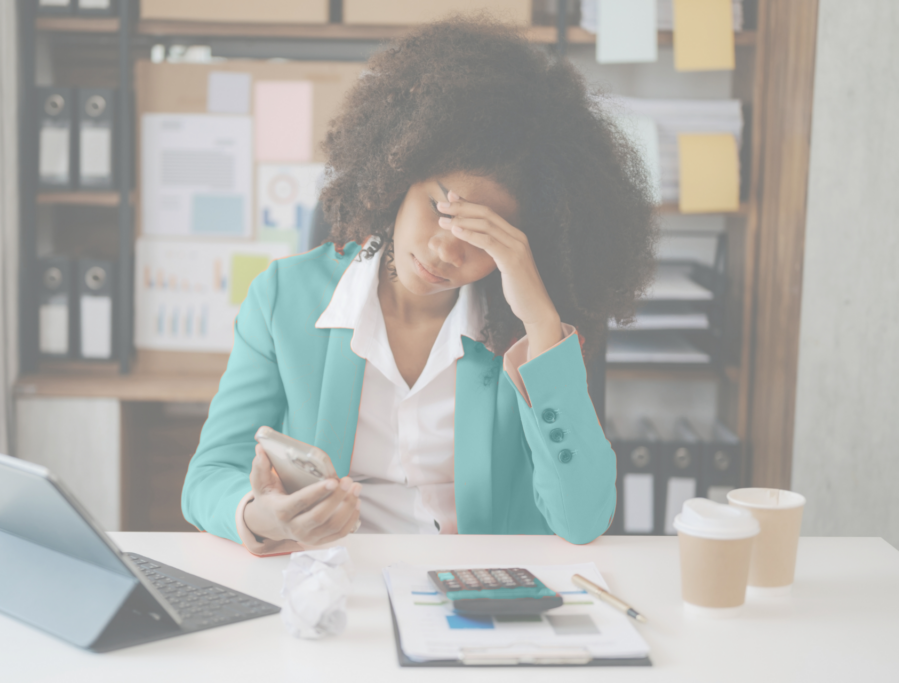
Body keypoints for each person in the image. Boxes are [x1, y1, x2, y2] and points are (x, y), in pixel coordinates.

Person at [182, 17, 657, 555]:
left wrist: (541, 324)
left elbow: (582, 519)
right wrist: (262, 516)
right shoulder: (282, 299)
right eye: (440, 209)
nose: (446, 250)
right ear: (396, 174)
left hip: (478, 587)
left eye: (484, 236)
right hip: (338, 579)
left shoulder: (534, 335)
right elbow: (208, 477)